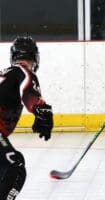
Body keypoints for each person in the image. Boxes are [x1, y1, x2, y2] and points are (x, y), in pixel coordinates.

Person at [0, 36, 53, 199]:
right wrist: (40, 110)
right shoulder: (23, 71)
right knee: (15, 168)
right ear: (35, 58)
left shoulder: (6, 75)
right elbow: (27, 88)